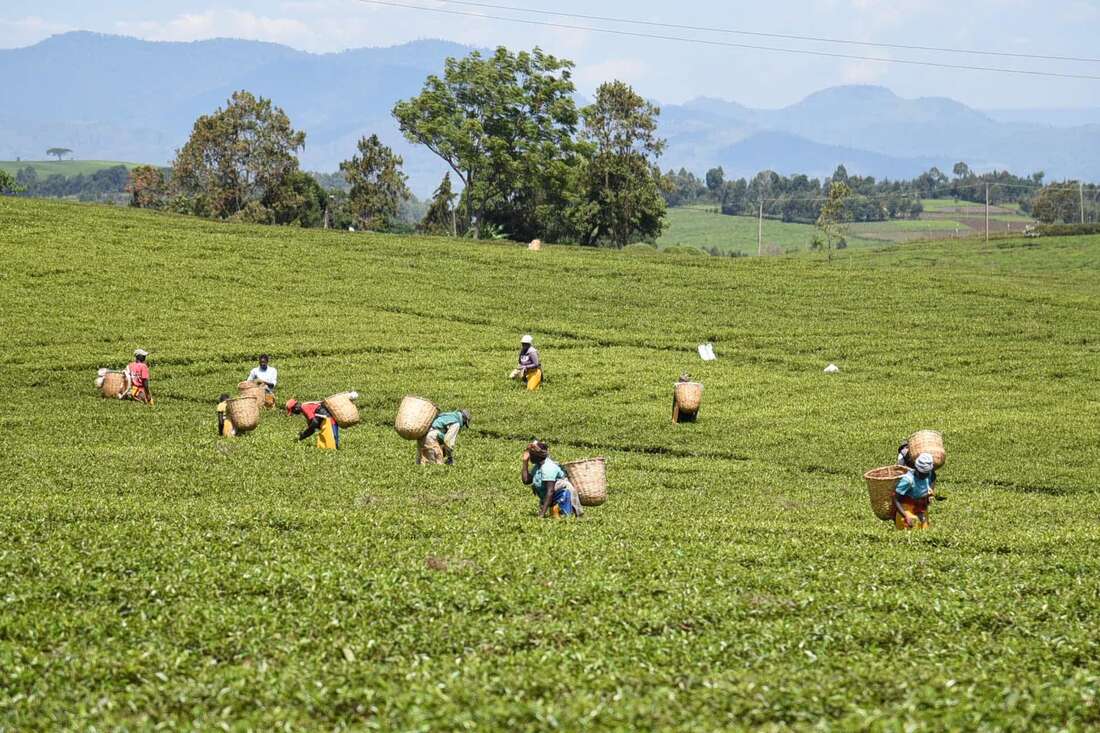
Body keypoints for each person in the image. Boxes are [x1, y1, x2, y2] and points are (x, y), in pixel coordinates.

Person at [521, 441, 582, 518]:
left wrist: (541, 514)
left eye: (531, 455)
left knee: (564, 520)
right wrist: (525, 462)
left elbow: (550, 491)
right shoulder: (538, 466)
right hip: (552, 498)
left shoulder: (548, 467)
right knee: (555, 519)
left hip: (563, 496)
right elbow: (526, 480)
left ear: (537, 455)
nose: (529, 457)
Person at [894, 452, 937, 530]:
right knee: (909, 535)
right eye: (922, 473)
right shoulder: (908, 480)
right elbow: (896, 499)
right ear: (916, 469)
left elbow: (933, 477)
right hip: (907, 510)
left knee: (924, 533)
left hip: (922, 509)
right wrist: (905, 515)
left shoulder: (928, 474)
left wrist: (931, 493)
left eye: (926, 473)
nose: (925, 476)